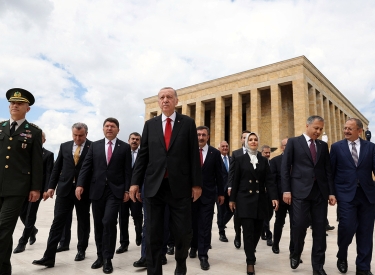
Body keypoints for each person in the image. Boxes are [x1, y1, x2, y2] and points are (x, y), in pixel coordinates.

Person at [129, 87, 202, 275]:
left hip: (180, 187)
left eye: (169, 97)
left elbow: (194, 155)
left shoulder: (187, 123)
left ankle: (180, 264)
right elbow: (143, 156)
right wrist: (135, 182)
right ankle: (154, 271)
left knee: (182, 231)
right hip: (155, 187)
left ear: (176, 101)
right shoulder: (150, 125)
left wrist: (196, 184)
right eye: (162, 97)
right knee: (153, 233)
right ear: (158, 102)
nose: (165, 100)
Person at [281, 115, 336, 275]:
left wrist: (331, 192)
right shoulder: (293, 142)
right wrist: (286, 190)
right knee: (299, 226)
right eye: (316, 128)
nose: (318, 132)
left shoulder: (323, 146)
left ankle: (318, 267)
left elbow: (328, 171)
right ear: (307, 126)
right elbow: (285, 168)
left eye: (320, 129)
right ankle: (295, 252)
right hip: (299, 192)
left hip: (319, 193)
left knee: (319, 230)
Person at [76, 117, 131, 274]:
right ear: (103, 129)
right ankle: (100, 256)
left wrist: (127, 190)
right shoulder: (95, 146)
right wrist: (80, 185)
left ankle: (108, 258)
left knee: (109, 222)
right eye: (106, 126)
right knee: (99, 224)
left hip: (115, 191)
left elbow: (128, 171)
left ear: (118, 130)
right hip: (97, 191)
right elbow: (86, 167)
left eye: (112, 126)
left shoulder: (124, 147)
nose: (109, 128)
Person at [33, 123, 92, 267]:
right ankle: (48, 256)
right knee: (57, 222)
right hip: (64, 190)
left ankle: (81, 250)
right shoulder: (64, 146)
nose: (78, 138)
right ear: (72, 134)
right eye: (75, 135)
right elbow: (57, 167)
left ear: (86, 134)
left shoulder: (93, 147)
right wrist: (51, 187)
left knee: (83, 221)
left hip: (83, 191)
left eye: (81, 136)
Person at [0, 88, 43, 275]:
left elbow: (36, 162)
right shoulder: (0, 128)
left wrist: (35, 188)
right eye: (12, 103)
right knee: (4, 233)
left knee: (3, 228)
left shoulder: (33, 132)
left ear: (28, 108)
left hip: (17, 188)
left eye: (19, 103)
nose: (14, 105)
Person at [229, 132, 278, 275]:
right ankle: (250, 261)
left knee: (257, 231)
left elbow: (269, 180)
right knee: (248, 231)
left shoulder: (263, 160)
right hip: (244, 199)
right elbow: (235, 180)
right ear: (245, 142)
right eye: (250, 139)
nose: (253, 141)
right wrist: (232, 199)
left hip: (260, 200)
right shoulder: (240, 159)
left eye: (255, 139)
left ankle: (251, 250)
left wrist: (274, 196)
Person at [330, 118, 375, 275]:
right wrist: (332, 192)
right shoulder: (336, 147)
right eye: (345, 128)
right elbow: (331, 172)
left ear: (360, 131)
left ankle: (363, 268)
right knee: (347, 228)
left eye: (350, 128)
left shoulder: (371, 147)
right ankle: (342, 255)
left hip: (367, 196)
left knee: (366, 232)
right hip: (345, 195)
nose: (346, 131)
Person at [189, 126, 224, 271]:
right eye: (198, 135)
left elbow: (219, 175)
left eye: (203, 135)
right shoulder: (189, 152)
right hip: (190, 195)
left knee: (205, 225)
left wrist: (221, 193)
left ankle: (203, 255)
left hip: (208, 195)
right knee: (191, 224)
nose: (201, 137)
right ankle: (193, 246)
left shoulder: (214, 153)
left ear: (208, 137)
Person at [13, 132, 54, 253]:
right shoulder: (24, 153)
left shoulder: (48, 155)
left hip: (38, 190)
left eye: (39, 138)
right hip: (23, 188)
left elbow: (49, 173)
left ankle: (23, 242)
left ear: (44, 141)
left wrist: (47, 189)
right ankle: (33, 230)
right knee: (21, 212)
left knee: (30, 213)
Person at [116, 132, 143, 254]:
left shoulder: (143, 154)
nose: (134, 141)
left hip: (137, 193)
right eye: (132, 139)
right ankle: (124, 243)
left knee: (137, 216)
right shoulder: (122, 153)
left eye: (137, 139)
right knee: (122, 218)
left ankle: (139, 233)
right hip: (123, 192)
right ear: (128, 140)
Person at [270, 138, 294, 255]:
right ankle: (276, 244)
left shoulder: (297, 160)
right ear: (281, 147)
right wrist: (274, 198)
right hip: (280, 197)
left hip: (296, 198)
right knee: (279, 221)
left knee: (295, 223)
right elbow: (272, 182)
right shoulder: (275, 161)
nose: (288, 147)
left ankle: (293, 250)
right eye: (285, 145)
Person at [228, 130, 250, 249]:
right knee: (237, 215)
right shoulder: (236, 154)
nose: (246, 140)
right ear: (241, 139)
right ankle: (237, 234)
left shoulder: (256, 153)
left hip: (251, 189)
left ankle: (248, 237)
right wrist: (230, 186)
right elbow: (231, 172)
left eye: (249, 137)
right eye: (244, 137)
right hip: (239, 188)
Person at [216, 140, 233, 242]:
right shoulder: (216, 159)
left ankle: (221, 224)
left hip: (231, 190)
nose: (225, 148)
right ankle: (221, 232)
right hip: (220, 190)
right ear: (219, 148)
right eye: (223, 146)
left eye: (227, 146)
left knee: (232, 210)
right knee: (221, 212)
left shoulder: (232, 159)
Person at [260, 144, 273, 247]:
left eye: (269, 153)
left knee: (270, 214)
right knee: (265, 214)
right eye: (266, 153)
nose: (268, 154)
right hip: (261, 194)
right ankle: (269, 236)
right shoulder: (258, 163)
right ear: (262, 153)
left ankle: (262, 230)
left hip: (270, 194)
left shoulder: (272, 163)